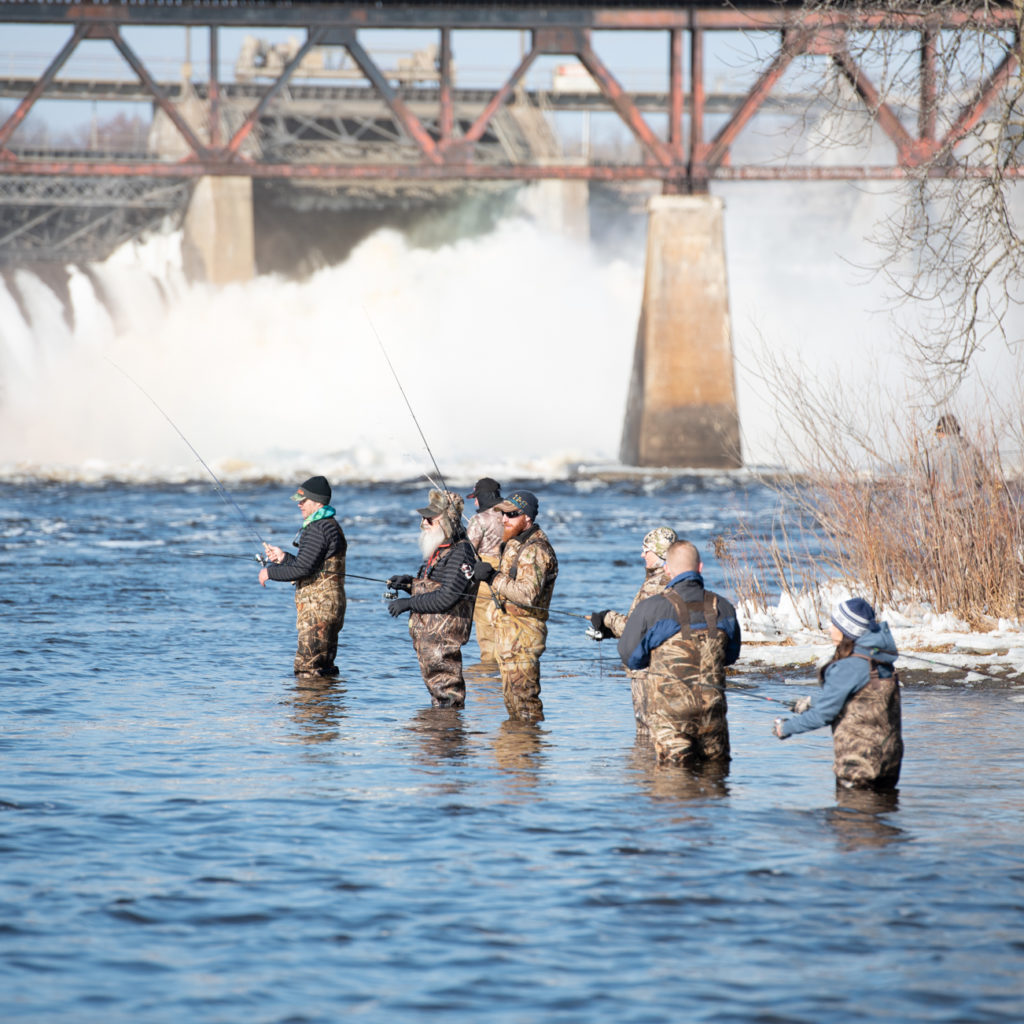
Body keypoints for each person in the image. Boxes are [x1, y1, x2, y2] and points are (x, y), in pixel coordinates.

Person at [617, 540, 741, 765]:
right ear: (700, 568)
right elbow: (730, 656)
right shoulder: (724, 607)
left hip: (671, 718)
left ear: (667, 569)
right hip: (712, 713)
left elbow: (630, 657)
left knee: (674, 783)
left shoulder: (652, 608)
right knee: (715, 779)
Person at [773, 597, 903, 790]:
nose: (829, 628)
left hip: (859, 765)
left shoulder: (848, 667)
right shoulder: (879, 660)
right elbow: (860, 700)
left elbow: (824, 715)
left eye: (834, 624)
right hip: (889, 762)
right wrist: (811, 702)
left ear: (846, 630)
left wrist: (786, 728)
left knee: (849, 819)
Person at [386, 489, 478, 708]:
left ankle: (447, 734)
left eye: (430, 518)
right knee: (438, 694)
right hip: (431, 640)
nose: (424, 523)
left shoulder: (461, 553)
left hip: (444, 640)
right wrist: (409, 584)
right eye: (423, 517)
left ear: (447, 520)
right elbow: (434, 586)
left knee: (448, 695)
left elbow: (448, 597)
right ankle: (440, 731)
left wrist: (409, 604)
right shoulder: (442, 549)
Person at [472, 488, 558, 722]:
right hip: (509, 633)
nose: (503, 519)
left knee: (525, 705)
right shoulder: (514, 543)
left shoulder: (535, 550)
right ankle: (514, 752)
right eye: (502, 514)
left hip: (524, 636)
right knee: (512, 702)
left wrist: (492, 577)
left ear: (527, 518)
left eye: (511, 515)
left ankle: (527, 751)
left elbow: (528, 594)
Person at [589, 525, 678, 733]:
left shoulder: (656, 584)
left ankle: (648, 762)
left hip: (648, 670)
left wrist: (607, 618)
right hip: (662, 666)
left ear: (658, 553)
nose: (642, 554)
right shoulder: (673, 579)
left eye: (645, 550)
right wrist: (611, 632)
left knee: (647, 729)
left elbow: (636, 627)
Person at [259, 475, 347, 677]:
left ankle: (311, 708)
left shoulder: (317, 529)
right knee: (323, 667)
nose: (299, 504)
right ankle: (325, 706)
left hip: (318, 610)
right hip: (330, 607)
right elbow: (310, 565)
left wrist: (269, 572)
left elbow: (303, 570)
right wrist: (284, 558)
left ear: (317, 501)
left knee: (307, 668)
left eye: (304, 500)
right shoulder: (329, 525)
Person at [465, 477, 504, 664]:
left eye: (476, 497)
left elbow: (469, 550)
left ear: (483, 496)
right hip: (510, 574)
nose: (474, 502)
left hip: (485, 576)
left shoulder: (479, 519)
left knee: (486, 628)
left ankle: (489, 673)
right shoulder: (512, 513)